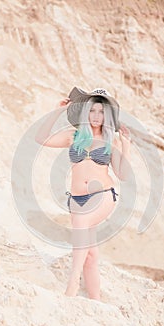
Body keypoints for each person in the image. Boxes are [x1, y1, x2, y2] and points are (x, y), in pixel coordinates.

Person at [35, 87, 131, 300]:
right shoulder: (74, 136)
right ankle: (95, 299)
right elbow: (41, 138)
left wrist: (126, 146)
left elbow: (122, 175)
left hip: (104, 195)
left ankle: (71, 287)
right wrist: (56, 111)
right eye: (93, 111)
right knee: (90, 254)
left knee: (80, 233)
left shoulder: (111, 140)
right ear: (86, 113)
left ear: (107, 116)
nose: (97, 116)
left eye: (101, 112)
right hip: (77, 199)